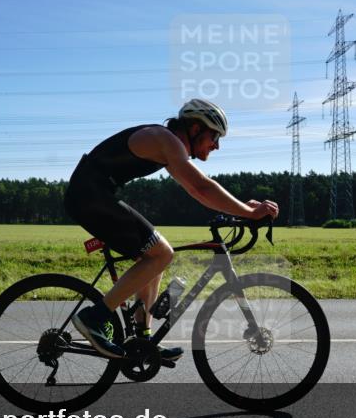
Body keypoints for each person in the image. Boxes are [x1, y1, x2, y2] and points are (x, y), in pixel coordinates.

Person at [64, 98, 279, 360]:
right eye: (215, 136)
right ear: (196, 128)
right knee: (161, 253)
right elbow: (200, 187)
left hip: (92, 193)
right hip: (90, 196)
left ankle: (143, 340)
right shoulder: (165, 140)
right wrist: (249, 212)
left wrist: (241, 208)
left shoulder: (166, 144)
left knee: (153, 255)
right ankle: (94, 317)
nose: (217, 145)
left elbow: (196, 188)